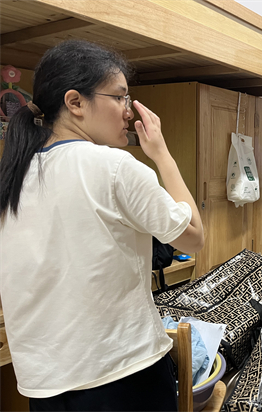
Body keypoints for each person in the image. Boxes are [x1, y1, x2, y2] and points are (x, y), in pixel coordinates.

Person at [0, 40, 204, 411]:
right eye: (120, 97)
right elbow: (193, 237)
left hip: (44, 386)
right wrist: (161, 153)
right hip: (122, 375)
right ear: (75, 102)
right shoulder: (114, 167)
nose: (128, 111)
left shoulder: (13, 175)